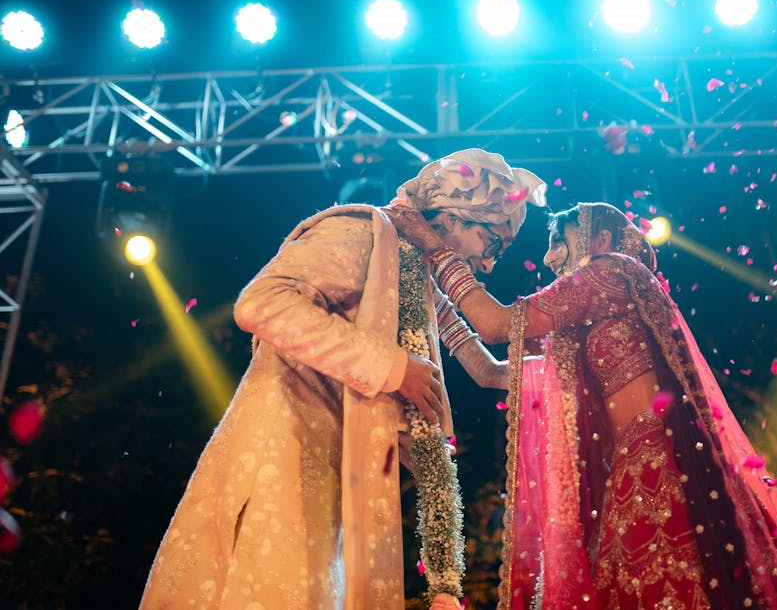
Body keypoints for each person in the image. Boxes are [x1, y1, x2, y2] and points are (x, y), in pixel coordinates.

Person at [139, 148, 546, 609]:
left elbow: (484, 366)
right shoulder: (362, 231)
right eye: (492, 244)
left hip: (337, 470)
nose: (489, 264)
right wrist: (393, 368)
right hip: (283, 450)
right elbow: (261, 303)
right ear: (454, 216)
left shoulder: (414, 270)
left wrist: (551, 370)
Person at [391, 201, 777, 609]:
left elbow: (496, 324)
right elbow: (489, 371)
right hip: (628, 472)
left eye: (559, 242)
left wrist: (435, 249)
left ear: (599, 239)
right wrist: (433, 300)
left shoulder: (613, 271)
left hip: (658, 466)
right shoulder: (581, 334)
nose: (549, 259)